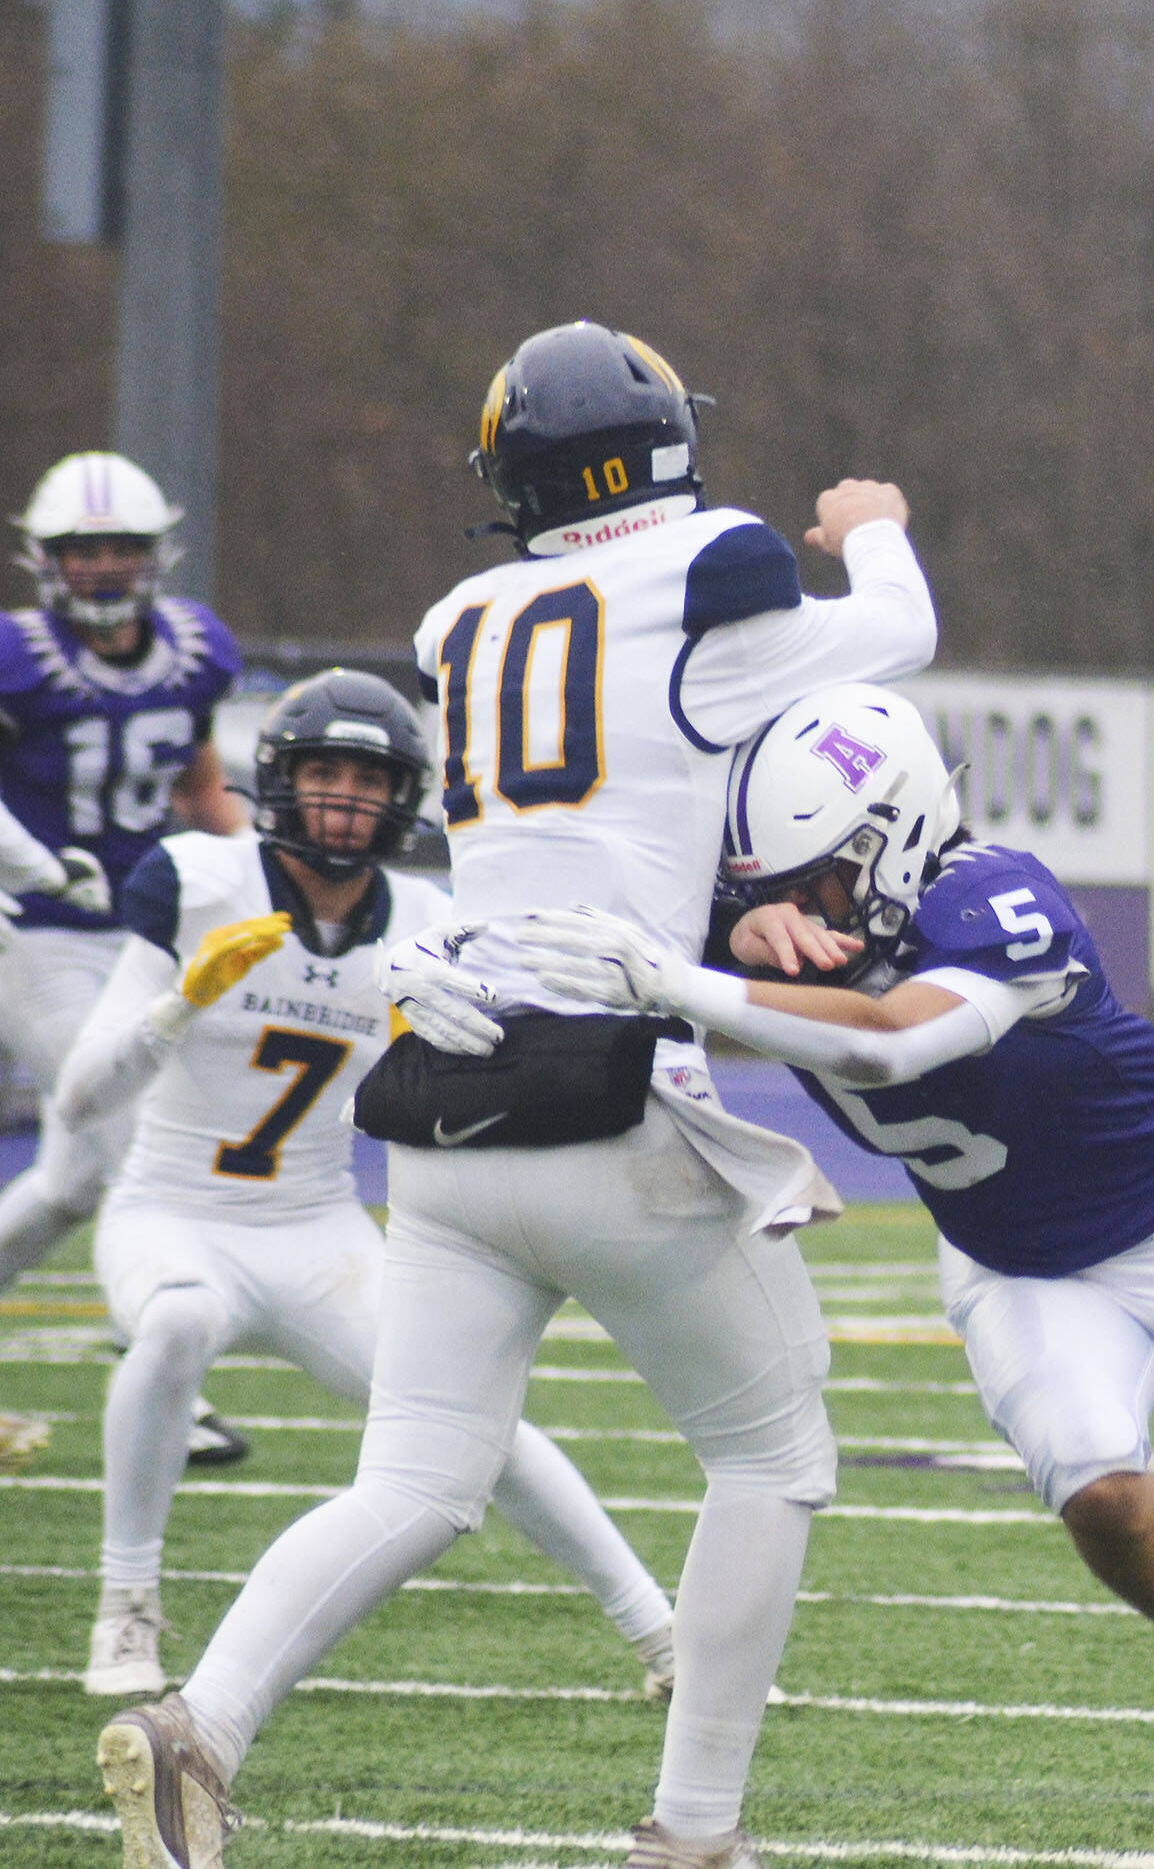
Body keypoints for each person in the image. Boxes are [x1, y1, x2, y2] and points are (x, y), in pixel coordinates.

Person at [94, 318, 938, 1869]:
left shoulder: (459, 615)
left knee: (413, 1478)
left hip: (440, 1096)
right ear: (664, 443)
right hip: (609, 1094)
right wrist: (874, 530)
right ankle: (694, 1830)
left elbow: (605, 810)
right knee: (773, 1458)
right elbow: (898, 638)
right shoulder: (714, 566)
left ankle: (199, 1723)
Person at [511, 678, 1154, 1796]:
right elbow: (589, 895)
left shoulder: (996, 898)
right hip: (1020, 1265)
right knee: (1096, 1483)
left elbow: (883, 1046)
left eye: (814, 882)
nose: (797, 911)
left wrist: (685, 977)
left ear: (896, 831)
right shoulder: (762, 921)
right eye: (770, 889)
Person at [60, 665, 677, 1706]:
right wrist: (180, 1001)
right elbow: (78, 1099)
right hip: (171, 1214)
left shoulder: (426, 916)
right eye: (323, 770)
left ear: (403, 796)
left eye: (368, 775)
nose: (344, 794)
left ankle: (661, 1631)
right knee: (176, 1322)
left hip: (316, 1229)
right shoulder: (196, 878)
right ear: (279, 778)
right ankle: (127, 1598)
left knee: (475, 1419)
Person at [0, 452, 249, 1465]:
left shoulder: (195, 650)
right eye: (82, 549)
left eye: (120, 548)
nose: (102, 566)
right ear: (46, 559)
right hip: (33, 929)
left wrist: (261, 868)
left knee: (66, 1184)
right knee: (138, 1138)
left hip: (140, 931)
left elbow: (199, 792)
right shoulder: (16, 657)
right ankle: (167, 1383)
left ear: (156, 555)